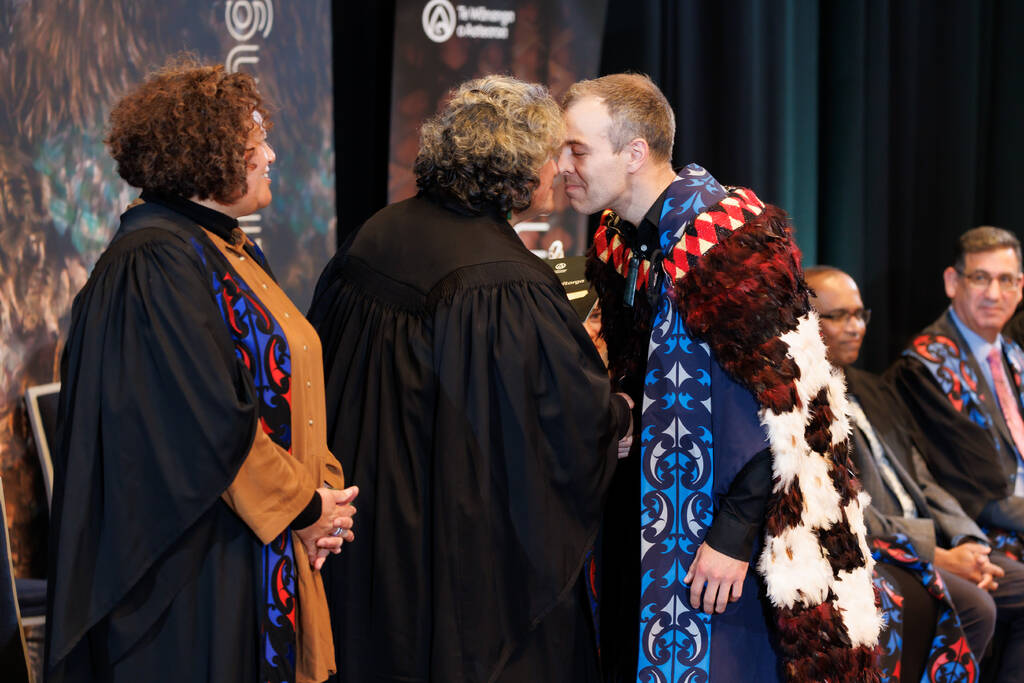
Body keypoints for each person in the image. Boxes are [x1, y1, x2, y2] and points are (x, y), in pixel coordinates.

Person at [307, 75, 633, 683]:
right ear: (518, 167)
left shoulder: (374, 234)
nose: (559, 170)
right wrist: (620, 408)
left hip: (360, 533)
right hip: (446, 555)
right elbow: (559, 426)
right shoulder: (503, 281)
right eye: (550, 155)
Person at [559, 73, 881, 682]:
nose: (562, 166)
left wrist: (734, 533)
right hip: (641, 515)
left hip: (731, 531)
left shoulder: (733, 234)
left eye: (577, 149)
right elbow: (636, 365)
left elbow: (792, 399)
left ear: (634, 152)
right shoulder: (615, 240)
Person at [45, 59, 358, 683]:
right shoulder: (154, 262)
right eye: (255, 143)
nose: (270, 155)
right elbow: (208, 419)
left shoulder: (223, 249)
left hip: (261, 545)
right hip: (197, 576)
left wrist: (326, 496)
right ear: (207, 159)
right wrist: (305, 508)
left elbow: (285, 384)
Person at [807, 266, 1024, 682]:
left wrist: (968, 540)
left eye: (860, 315)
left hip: (932, 537)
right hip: (878, 548)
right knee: (976, 605)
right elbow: (844, 507)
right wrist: (938, 555)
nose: (856, 328)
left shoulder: (874, 388)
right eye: (839, 316)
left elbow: (924, 479)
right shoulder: (803, 402)